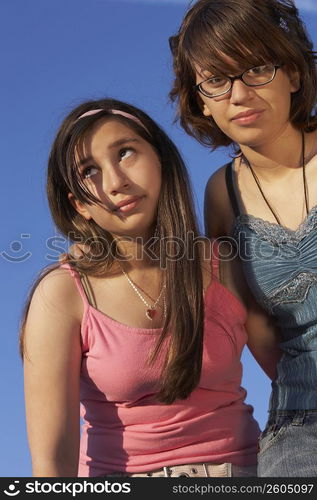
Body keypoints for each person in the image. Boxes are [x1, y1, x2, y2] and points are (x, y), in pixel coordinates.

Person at [20, 97, 278, 478]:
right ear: (80, 206)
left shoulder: (224, 266)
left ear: (159, 158)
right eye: (89, 171)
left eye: (125, 153)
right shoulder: (63, 294)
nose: (115, 182)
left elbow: (292, 376)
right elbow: (52, 465)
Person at [169, 0, 317, 477]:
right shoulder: (221, 195)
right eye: (216, 79)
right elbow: (254, 322)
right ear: (200, 100)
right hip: (302, 419)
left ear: (292, 73)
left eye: (256, 67)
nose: (238, 94)